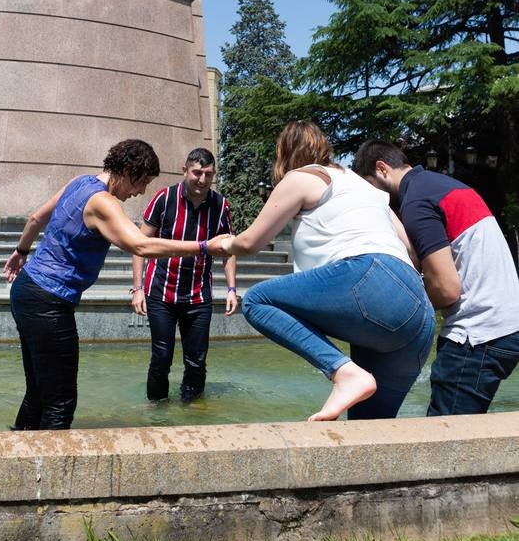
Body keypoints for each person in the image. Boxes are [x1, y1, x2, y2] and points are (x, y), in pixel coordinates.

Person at [208, 121, 435, 421]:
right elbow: (412, 252)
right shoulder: (366, 188)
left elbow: (250, 242)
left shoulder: (301, 177)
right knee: (369, 428)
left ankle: (342, 372)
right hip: (418, 315)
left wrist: (225, 243)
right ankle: (352, 380)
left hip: (371, 283)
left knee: (258, 301)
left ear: (285, 153)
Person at [3, 139, 221, 430]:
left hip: (27, 290)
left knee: (39, 390)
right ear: (128, 171)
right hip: (49, 301)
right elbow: (140, 245)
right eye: (141, 182)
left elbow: (36, 218)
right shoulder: (103, 201)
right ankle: (48, 472)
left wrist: (21, 251)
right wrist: (204, 247)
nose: (140, 191)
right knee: (60, 401)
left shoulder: (79, 182)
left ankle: (20, 452)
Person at [352, 140, 519, 416]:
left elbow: (447, 289)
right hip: (504, 326)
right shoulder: (440, 185)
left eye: (370, 188)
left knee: (447, 439)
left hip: (477, 334)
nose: (373, 198)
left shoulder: (417, 201)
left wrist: (400, 305)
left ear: (382, 169)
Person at [131, 148, 237, 402]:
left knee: (197, 360)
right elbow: (140, 244)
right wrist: (138, 288)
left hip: (199, 296)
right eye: (197, 173)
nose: (202, 180)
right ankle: (157, 410)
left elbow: (228, 248)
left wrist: (232, 289)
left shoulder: (220, 205)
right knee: (161, 356)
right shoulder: (165, 198)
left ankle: (191, 410)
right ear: (185, 170)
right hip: (161, 293)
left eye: (208, 174)